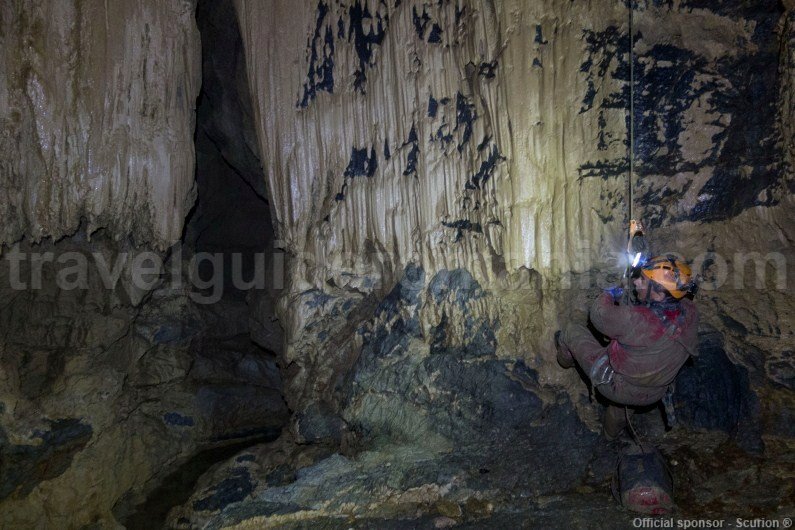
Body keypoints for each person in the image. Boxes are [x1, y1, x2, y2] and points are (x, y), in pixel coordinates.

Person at [556, 254, 699, 439]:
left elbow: (599, 314)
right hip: (654, 391)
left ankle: (565, 363)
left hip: (617, 385)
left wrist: (609, 293)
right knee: (621, 409)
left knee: (571, 331)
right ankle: (609, 438)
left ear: (659, 293)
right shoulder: (691, 312)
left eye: (643, 280)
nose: (636, 281)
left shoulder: (638, 320)